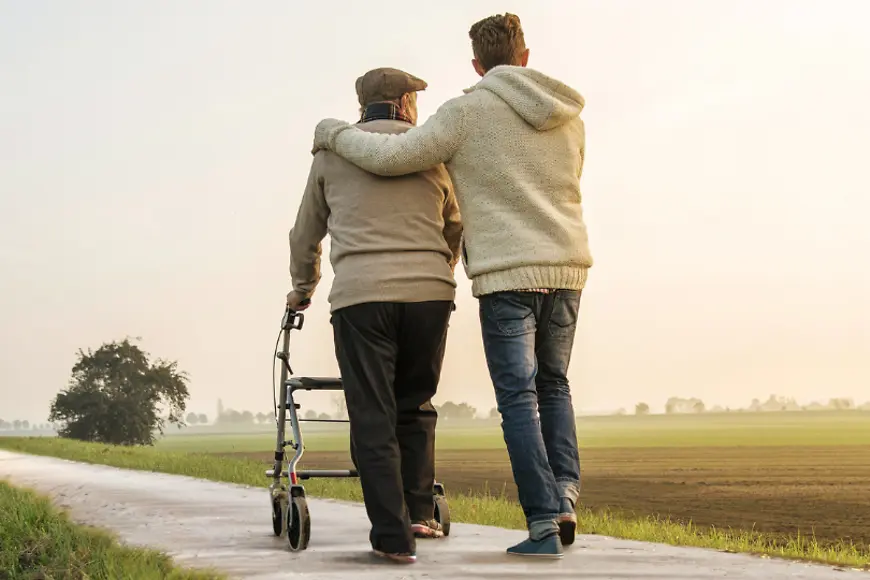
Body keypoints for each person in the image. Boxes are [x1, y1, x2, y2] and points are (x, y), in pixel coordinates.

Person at [311, 14, 592, 558]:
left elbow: (391, 157)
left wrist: (333, 134)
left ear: (476, 64)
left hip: (508, 275)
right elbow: (568, 180)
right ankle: (564, 495)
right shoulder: (570, 118)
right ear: (526, 55)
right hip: (568, 267)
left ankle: (542, 524)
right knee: (555, 384)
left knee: (518, 397)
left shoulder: (464, 113)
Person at [287, 67, 462, 564]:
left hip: (361, 297)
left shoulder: (331, 155)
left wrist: (303, 289)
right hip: (429, 295)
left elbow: (305, 235)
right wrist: (437, 268)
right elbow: (455, 223)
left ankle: (391, 535)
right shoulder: (432, 151)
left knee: (373, 414)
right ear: (406, 103)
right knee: (415, 403)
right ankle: (420, 513)